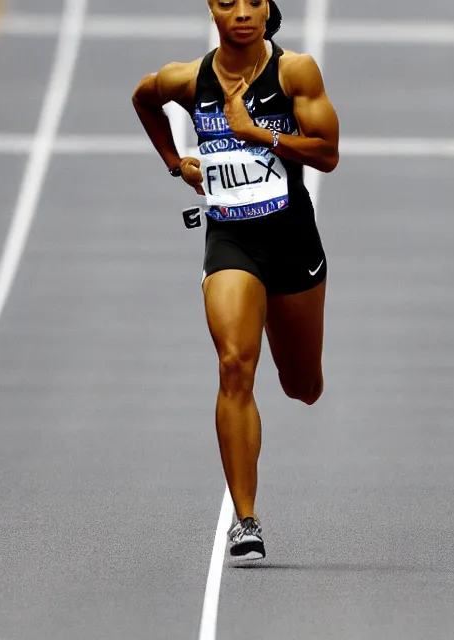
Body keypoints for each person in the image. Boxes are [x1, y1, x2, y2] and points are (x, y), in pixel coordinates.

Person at [132, 0, 339, 561]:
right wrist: (177, 163)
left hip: (292, 243)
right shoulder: (188, 79)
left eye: (253, 2)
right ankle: (245, 520)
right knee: (233, 363)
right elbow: (143, 97)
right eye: (228, 2)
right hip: (231, 240)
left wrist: (261, 135)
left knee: (303, 385)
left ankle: (301, 377)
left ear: (268, 8)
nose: (241, 12)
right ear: (211, 9)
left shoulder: (295, 72)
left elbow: (328, 153)